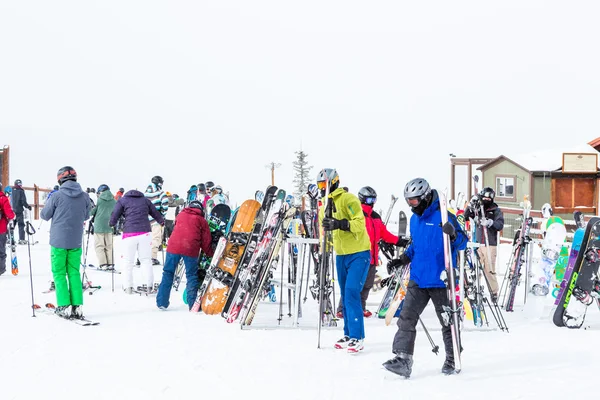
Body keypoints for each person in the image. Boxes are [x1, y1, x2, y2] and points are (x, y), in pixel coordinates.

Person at [382, 178, 467, 377]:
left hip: (441, 278)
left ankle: (452, 357)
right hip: (418, 278)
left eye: (414, 201)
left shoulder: (445, 215)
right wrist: (401, 259)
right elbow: (415, 246)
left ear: (426, 197)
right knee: (406, 318)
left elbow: (462, 243)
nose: (412, 205)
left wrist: (453, 234)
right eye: (408, 201)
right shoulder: (414, 220)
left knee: (447, 321)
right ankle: (403, 360)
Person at [317, 168, 371, 354]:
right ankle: (348, 333)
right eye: (319, 186)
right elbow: (327, 227)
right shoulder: (326, 203)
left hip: (359, 252)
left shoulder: (349, 199)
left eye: (324, 185)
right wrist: (327, 228)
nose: (322, 188)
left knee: (351, 292)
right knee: (345, 293)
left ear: (333, 182)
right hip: (341, 254)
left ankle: (357, 336)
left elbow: (359, 223)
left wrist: (340, 223)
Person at [336, 186, 404, 318]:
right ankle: (342, 309)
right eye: (369, 199)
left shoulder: (375, 217)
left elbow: (384, 233)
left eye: (374, 199)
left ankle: (360, 308)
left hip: (371, 258)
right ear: (362, 198)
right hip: (358, 255)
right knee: (354, 285)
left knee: (366, 285)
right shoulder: (356, 214)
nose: (372, 202)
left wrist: (398, 241)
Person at [40, 166, 92, 318]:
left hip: (58, 241)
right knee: (74, 272)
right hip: (75, 240)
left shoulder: (56, 196)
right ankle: (77, 306)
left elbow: (44, 215)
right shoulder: (84, 196)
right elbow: (87, 215)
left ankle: (64, 305)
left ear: (60, 179)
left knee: (59, 273)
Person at [156, 200, 214, 309]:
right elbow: (206, 241)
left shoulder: (180, 215)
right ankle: (192, 304)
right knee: (191, 275)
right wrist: (210, 254)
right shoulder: (201, 220)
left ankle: (161, 302)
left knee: (168, 273)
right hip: (190, 248)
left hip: (173, 247)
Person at [110, 187, 164, 294]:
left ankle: (128, 287)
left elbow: (115, 214)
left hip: (129, 233)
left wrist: (111, 223)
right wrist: (161, 221)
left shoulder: (123, 200)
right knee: (146, 260)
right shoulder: (145, 200)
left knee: (128, 262)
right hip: (145, 232)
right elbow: (155, 212)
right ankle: (149, 286)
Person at [463, 187, 504, 302]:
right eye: (484, 197)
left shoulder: (495, 210)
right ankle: (475, 289)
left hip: (489, 244)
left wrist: (490, 222)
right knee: (475, 269)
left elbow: (500, 225)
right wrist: (471, 204)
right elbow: (466, 216)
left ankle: (494, 292)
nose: (486, 199)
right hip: (477, 243)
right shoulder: (476, 208)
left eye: (489, 198)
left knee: (489, 270)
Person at [90, 184, 117, 270]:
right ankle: (111, 263)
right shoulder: (114, 200)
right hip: (110, 225)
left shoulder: (99, 200)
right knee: (109, 245)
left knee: (99, 245)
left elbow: (93, 211)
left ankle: (103, 264)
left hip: (99, 225)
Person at [144, 176, 169, 265]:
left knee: (146, 239)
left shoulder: (145, 193)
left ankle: (143, 257)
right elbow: (165, 204)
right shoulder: (160, 193)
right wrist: (162, 214)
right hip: (156, 220)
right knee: (156, 238)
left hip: (146, 220)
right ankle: (152, 257)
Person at [0, 182, 16, 276]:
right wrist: (12, 216)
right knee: (1, 249)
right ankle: (1, 269)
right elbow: (10, 214)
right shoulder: (3, 198)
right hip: (1, 229)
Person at [12, 179, 32, 244]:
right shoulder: (21, 191)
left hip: (12, 210)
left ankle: (9, 238)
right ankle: (21, 239)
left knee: (12, 225)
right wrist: (27, 206)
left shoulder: (12, 190)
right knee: (21, 224)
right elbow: (23, 201)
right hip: (19, 210)